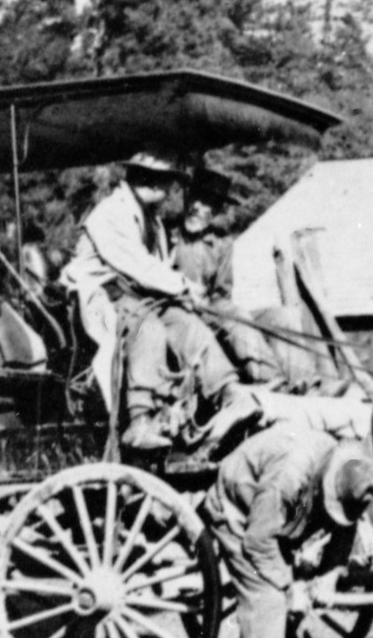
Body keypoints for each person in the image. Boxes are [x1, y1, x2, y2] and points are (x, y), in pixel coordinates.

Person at [202, 422, 373, 638]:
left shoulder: (348, 471)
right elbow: (257, 541)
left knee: (294, 602)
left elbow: (344, 528)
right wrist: (289, 585)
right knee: (268, 595)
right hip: (239, 515)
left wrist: (328, 575)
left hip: (275, 522)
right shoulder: (289, 475)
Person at [59, 149, 244, 451]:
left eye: (163, 179)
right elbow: (138, 266)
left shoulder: (154, 224)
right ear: (131, 176)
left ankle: (227, 390)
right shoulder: (111, 213)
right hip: (99, 296)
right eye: (146, 177)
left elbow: (153, 273)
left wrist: (182, 294)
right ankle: (141, 419)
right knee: (149, 327)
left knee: (186, 322)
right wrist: (182, 284)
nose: (154, 184)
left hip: (136, 295)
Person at [171, 166, 236, 306]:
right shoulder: (168, 231)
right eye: (193, 197)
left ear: (216, 211)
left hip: (206, 311)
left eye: (205, 201)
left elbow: (222, 295)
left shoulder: (222, 243)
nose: (195, 207)